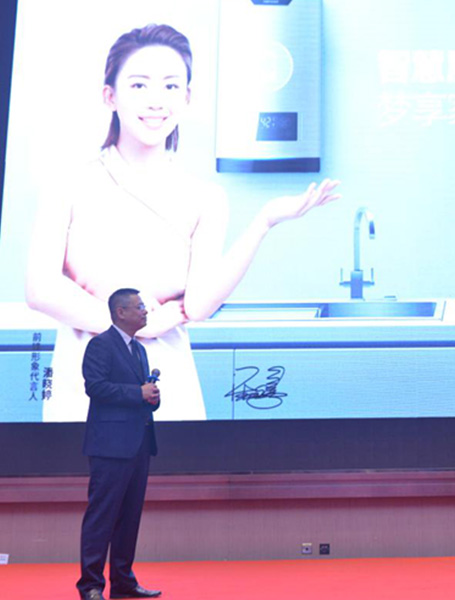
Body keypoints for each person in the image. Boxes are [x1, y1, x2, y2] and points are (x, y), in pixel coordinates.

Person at [25, 24, 340, 422]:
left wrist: (264, 222)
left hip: (169, 391)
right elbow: (41, 289)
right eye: (139, 85)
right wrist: (137, 324)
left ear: (187, 98)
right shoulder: (68, 184)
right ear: (110, 96)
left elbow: (198, 304)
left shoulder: (205, 197)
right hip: (85, 387)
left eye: (171, 86)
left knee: (175, 465)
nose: (156, 100)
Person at [77, 288, 161, 600]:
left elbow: (139, 394)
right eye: (140, 306)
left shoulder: (138, 349)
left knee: (129, 517)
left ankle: (123, 582)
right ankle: (91, 585)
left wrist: (151, 397)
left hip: (139, 444)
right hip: (110, 446)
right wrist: (137, 393)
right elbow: (96, 387)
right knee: (102, 517)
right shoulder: (101, 345)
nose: (145, 311)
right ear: (120, 312)